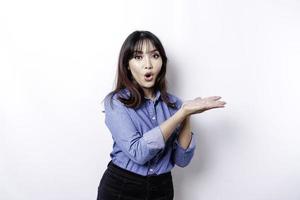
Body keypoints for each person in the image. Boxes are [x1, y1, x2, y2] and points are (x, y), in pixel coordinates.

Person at [97, 30, 226, 200]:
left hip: (162, 188)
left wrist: (187, 114)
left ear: (162, 62)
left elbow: (182, 160)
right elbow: (138, 153)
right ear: (127, 64)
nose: (148, 64)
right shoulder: (116, 102)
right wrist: (180, 115)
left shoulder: (176, 105)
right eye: (138, 57)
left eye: (155, 56)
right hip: (122, 187)